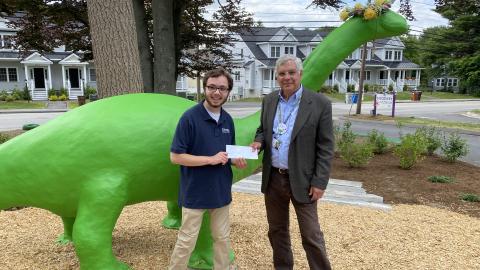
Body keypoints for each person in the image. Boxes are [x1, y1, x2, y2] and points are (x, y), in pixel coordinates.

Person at [250, 55, 334, 270]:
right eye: (282, 73)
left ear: (300, 74)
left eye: (291, 73)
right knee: (277, 231)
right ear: (276, 76)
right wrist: (259, 141)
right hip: (274, 179)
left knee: (311, 234)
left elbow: (325, 147)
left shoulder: (319, 103)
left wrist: (320, 182)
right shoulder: (269, 100)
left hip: (304, 181)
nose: (287, 77)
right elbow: (263, 130)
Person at [168, 68, 247, 270]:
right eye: (212, 87)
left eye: (222, 88)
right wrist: (210, 160)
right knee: (187, 240)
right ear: (205, 88)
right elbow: (176, 157)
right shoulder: (189, 118)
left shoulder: (228, 120)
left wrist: (233, 159)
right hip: (195, 191)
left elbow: (225, 153)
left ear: (228, 91)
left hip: (220, 190)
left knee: (222, 238)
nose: (216, 92)